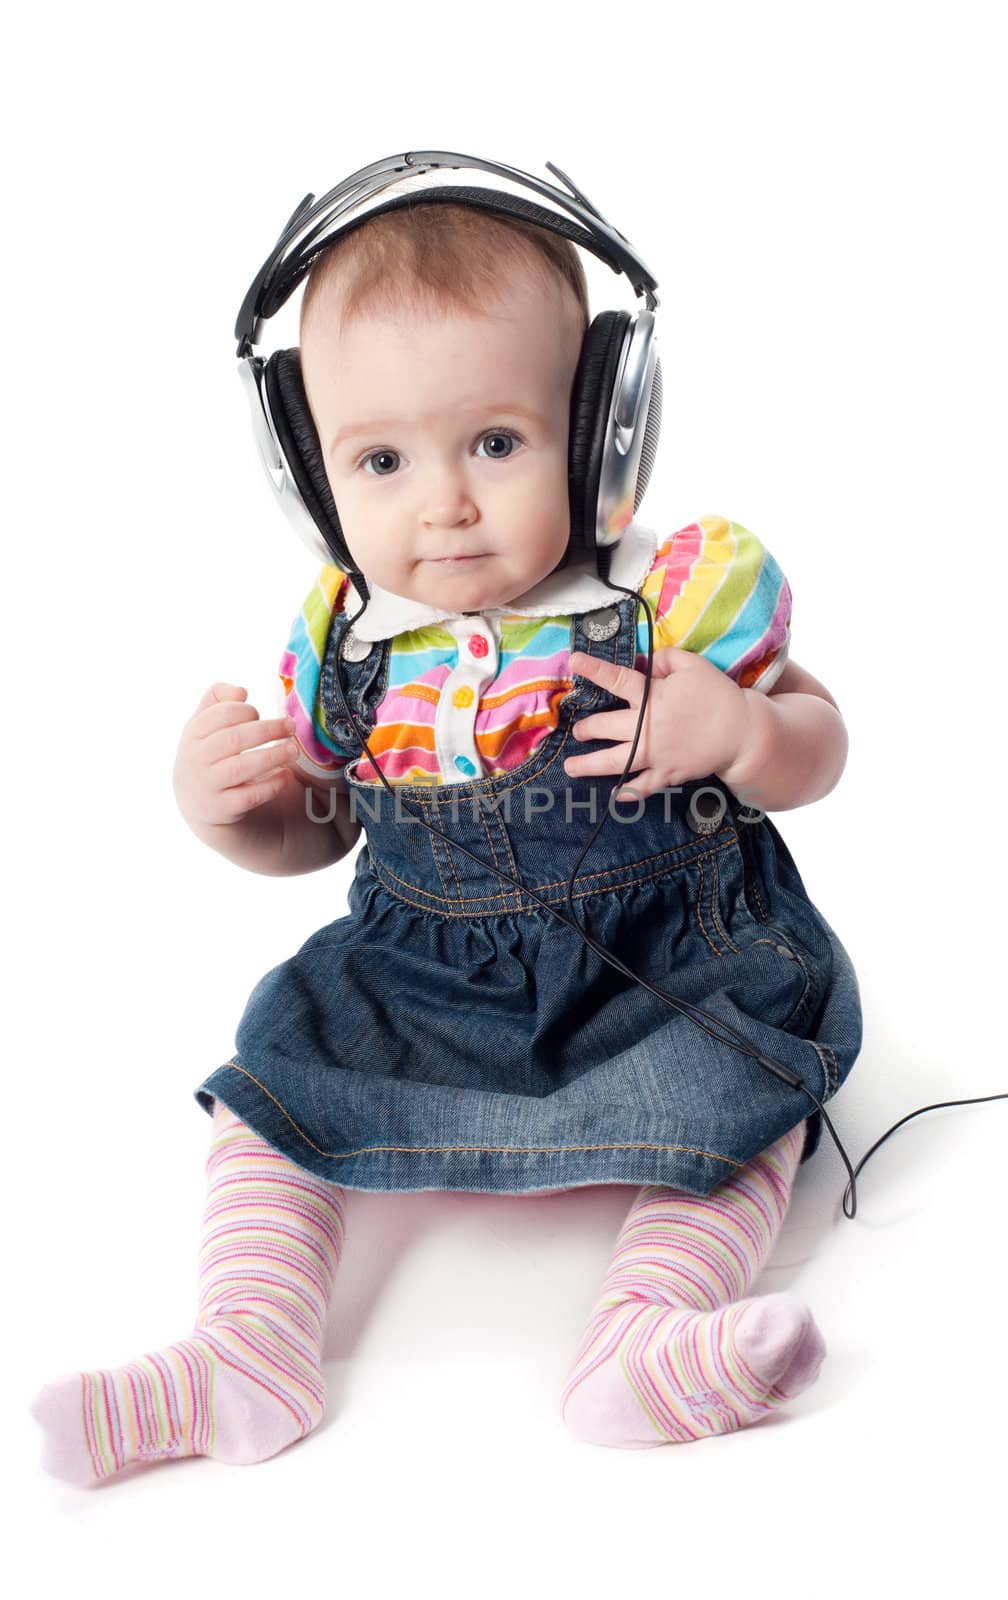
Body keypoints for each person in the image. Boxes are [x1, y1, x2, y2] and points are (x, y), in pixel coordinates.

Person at [30, 196, 862, 1482]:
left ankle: (642, 1336)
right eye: (381, 463)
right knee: (268, 1084)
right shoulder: (350, 648)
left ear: (601, 435)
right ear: (310, 474)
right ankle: (247, 1345)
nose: (446, 508)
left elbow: (819, 740)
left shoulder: (660, 596)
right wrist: (232, 814)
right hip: (422, 980)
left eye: (493, 440)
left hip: (662, 973)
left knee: (751, 1098)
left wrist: (744, 731)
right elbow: (320, 831)